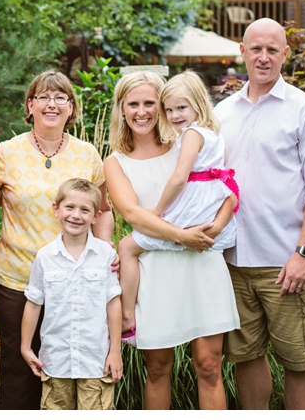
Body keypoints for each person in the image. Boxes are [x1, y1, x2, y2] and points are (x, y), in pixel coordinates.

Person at [214, 18, 305, 409]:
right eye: (256, 49)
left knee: (300, 360)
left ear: (286, 53)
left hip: (287, 262)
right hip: (233, 260)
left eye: (272, 50)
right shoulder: (221, 113)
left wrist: (303, 253)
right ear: (242, 52)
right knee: (246, 356)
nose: (263, 58)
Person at [104, 71, 240, 410]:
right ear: (121, 109)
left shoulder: (186, 143)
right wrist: (182, 236)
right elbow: (134, 215)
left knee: (209, 365)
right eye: (132, 104)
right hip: (155, 268)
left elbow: (226, 188)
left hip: (202, 261)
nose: (142, 111)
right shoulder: (115, 161)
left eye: (150, 103)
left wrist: (217, 226)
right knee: (157, 367)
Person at [0, 69, 115, 410]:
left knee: (71, 361)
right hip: (18, 275)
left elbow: (102, 210)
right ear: (29, 105)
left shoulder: (87, 154)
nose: (52, 104)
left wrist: (106, 249)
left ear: (72, 108)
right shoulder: (6, 153)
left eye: (61, 97)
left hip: (76, 278)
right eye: (43, 97)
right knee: (19, 364)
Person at [21, 178, 123, 410]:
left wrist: (115, 351)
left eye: (85, 210)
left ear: (96, 216)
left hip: (95, 360)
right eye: (70, 207)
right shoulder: (45, 257)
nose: (76, 215)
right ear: (56, 209)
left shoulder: (105, 256)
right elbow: (34, 303)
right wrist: (26, 347)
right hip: (56, 359)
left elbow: (113, 303)